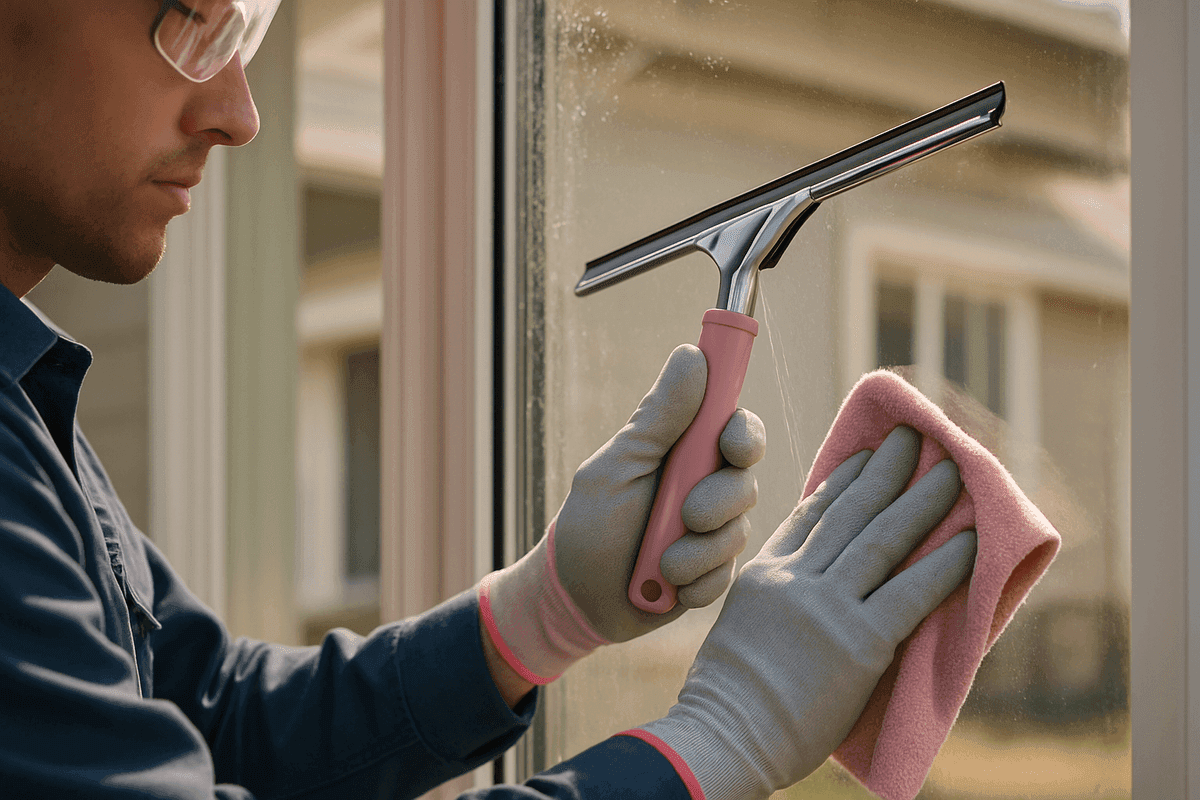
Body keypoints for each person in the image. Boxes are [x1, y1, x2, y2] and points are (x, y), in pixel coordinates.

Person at [0, 1, 978, 798]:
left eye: (242, 30)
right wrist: (721, 742)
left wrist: (540, 609)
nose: (239, 113)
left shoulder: (28, 405)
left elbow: (215, 719)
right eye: (191, 17)